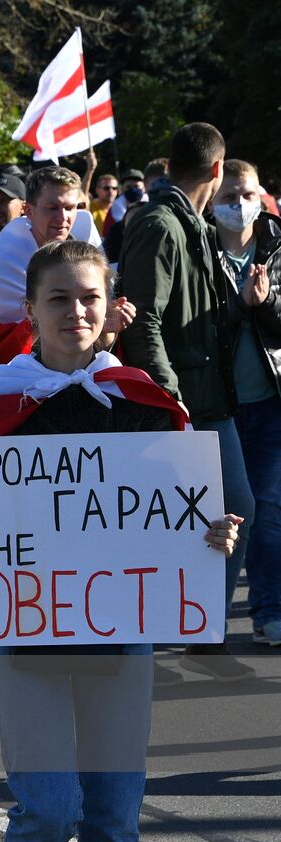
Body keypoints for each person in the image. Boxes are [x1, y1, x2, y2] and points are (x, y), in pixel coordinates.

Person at [0, 239, 241, 842]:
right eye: (57, 299)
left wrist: (209, 538)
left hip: (123, 638)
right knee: (50, 810)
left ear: (110, 305)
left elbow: (178, 515)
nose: (75, 312)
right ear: (30, 309)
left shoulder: (142, 399)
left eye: (89, 298)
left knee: (114, 821)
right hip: (24, 634)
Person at [118, 122, 257, 682]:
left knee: (212, 516)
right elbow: (144, 318)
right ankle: (168, 638)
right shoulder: (160, 221)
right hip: (182, 403)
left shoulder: (185, 223)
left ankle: (197, 635)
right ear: (218, 170)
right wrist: (169, 400)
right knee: (209, 513)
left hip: (202, 399)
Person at [209, 159, 281, 649]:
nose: (240, 205)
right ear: (213, 199)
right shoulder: (200, 247)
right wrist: (239, 306)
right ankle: (202, 611)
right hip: (218, 405)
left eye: (248, 195)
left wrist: (267, 302)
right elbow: (195, 323)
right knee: (227, 513)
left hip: (270, 401)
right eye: (230, 196)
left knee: (271, 509)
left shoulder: (278, 246)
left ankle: (269, 611)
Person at [0, 167, 123, 375]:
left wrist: (109, 328)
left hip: (85, 376)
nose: (63, 217)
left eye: (70, 207)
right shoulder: (2, 272)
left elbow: (101, 341)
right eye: (52, 207)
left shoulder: (90, 255)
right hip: (22, 383)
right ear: (29, 210)